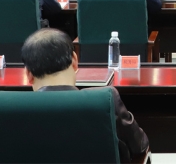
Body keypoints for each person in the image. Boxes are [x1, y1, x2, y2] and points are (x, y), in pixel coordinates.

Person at [21, 29, 149, 162]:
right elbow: (140, 146)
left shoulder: (15, 108)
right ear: (74, 60)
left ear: (28, 74)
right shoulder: (105, 100)